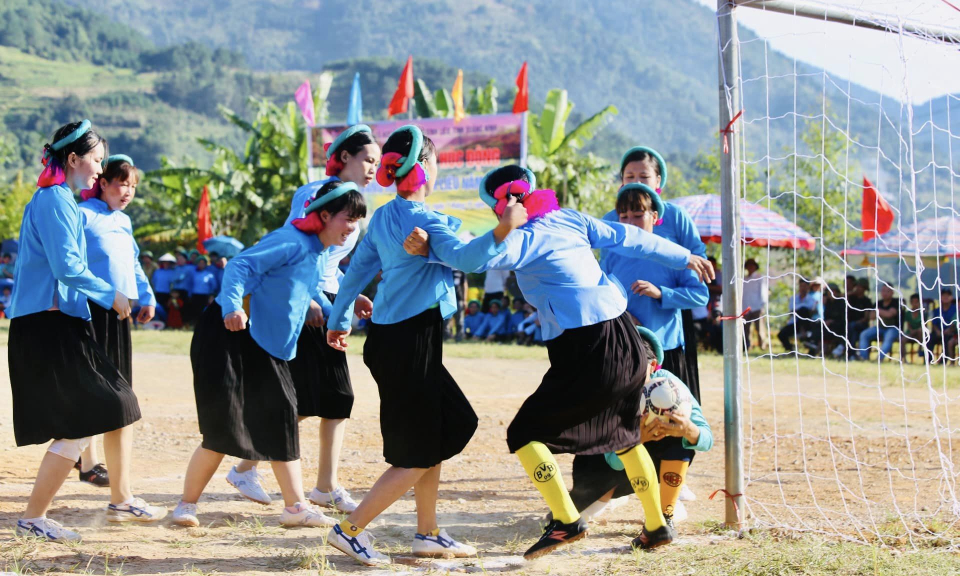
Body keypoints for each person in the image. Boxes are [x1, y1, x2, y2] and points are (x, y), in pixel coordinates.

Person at [406, 165, 714, 558]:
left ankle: (566, 520)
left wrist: (429, 247)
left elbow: (471, 258)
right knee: (623, 434)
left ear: (500, 208)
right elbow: (632, 238)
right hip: (626, 338)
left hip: (587, 346)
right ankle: (656, 527)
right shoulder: (569, 218)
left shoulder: (523, 239)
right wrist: (685, 256)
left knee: (524, 433)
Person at [324, 126, 520, 565]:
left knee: (434, 433)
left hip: (392, 341)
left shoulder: (384, 217)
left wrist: (338, 321)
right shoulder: (425, 220)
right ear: (427, 167)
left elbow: (356, 274)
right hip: (412, 342)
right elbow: (469, 260)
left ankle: (427, 532)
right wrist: (504, 227)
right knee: (432, 440)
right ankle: (350, 529)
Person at [171, 180, 365, 529]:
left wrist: (335, 320)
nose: (353, 228)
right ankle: (186, 506)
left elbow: (312, 288)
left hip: (267, 344)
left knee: (281, 418)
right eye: (347, 218)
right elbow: (239, 267)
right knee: (224, 428)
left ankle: (294, 507)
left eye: (357, 220)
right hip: (232, 335)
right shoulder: (290, 241)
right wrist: (232, 307)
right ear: (323, 215)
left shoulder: (317, 251)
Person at [9, 120, 165, 542]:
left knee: (97, 412)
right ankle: (37, 515)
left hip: (57, 320)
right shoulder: (56, 200)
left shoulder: (56, 198)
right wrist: (112, 295)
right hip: (48, 323)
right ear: (73, 159)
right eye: (96, 161)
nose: (100, 169)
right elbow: (67, 268)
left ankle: (46, 513)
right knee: (103, 407)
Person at [227, 125, 380, 512]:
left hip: (328, 298)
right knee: (329, 396)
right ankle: (309, 484)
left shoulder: (355, 204)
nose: (373, 169)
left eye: (377, 163)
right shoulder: (314, 194)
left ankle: (250, 466)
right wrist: (310, 300)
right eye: (368, 160)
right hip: (307, 303)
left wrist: (350, 291)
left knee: (318, 398)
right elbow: (300, 248)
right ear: (345, 157)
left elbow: (330, 264)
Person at [564, 327, 712, 529]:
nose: (625, 372)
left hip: (651, 458)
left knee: (677, 438)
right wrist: (636, 439)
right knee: (573, 517)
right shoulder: (607, 389)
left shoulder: (669, 386)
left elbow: (706, 440)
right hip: (603, 464)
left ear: (652, 365)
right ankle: (608, 498)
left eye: (633, 365)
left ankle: (666, 511)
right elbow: (613, 463)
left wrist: (687, 430)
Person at [78, 154, 158, 487]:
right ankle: (87, 462)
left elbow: (134, 263)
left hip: (120, 313)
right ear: (103, 183)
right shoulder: (83, 215)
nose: (127, 192)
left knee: (117, 384)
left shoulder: (124, 222)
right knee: (93, 386)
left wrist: (148, 295)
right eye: (122, 183)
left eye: (133, 186)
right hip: (90, 311)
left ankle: (90, 460)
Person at [604, 146, 707, 402]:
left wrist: (663, 293)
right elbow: (601, 275)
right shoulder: (610, 219)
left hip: (667, 322)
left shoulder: (675, 216)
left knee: (669, 400)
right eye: (629, 176)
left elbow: (695, 264)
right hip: (624, 328)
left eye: (644, 176)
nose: (630, 221)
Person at [857, 284, 901, 361]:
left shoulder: (896, 302)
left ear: (892, 292)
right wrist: (883, 312)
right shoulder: (878, 303)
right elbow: (871, 317)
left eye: (887, 291)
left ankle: (879, 359)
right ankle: (864, 358)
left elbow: (890, 314)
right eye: (883, 291)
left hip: (893, 328)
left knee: (888, 337)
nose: (885, 293)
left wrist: (879, 311)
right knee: (864, 334)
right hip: (880, 328)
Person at [741, 258, 768, 351]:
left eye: (752, 265)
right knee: (746, 328)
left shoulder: (760, 277)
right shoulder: (744, 279)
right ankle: (747, 346)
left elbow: (763, 292)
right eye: (749, 265)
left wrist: (762, 304)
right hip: (745, 307)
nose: (750, 267)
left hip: (757, 306)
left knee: (759, 328)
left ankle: (762, 346)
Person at [927, 288, 958, 364]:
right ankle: (928, 360)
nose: (945, 297)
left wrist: (948, 331)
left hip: (950, 333)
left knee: (947, 340)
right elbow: (933, 323)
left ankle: (943, 361)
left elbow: (955, 323)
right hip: (938, 332)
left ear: (951, 297)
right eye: (943, 295)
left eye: (948, 295)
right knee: (929, 339)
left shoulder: (955, 309)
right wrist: (938, 331)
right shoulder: (937, 310)